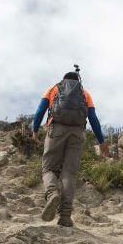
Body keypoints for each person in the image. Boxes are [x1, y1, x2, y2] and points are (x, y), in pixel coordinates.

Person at [31, 69, 110, 227]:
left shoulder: (54, 88)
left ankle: (53, 193)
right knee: (69, 173)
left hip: (56, 129)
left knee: (48, 169)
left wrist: (35, 130)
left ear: (64, 79)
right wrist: (101, 142)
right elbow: (93, 118)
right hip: (77, 133)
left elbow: (40, 110)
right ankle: (65, 216)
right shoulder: (84, 93)